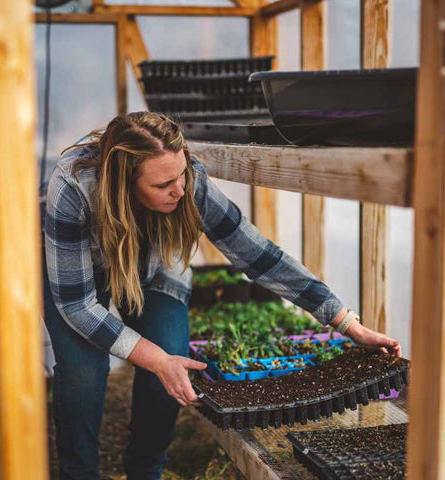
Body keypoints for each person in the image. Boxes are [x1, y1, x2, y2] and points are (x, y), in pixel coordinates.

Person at [42, 111, 401, 480]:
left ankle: (146, 469)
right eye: (163, 183)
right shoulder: (74, 189)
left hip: (153, 266)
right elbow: (77, 305)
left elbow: (257, 254)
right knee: (84, 372)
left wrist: (345, 322)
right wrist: (153, 358)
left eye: (181, 174)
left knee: (170, 356)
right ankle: (78, 472)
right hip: (77, 269)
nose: (179, 190)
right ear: (125, 184)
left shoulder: (186, 182)